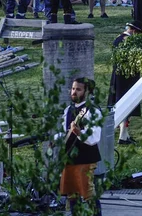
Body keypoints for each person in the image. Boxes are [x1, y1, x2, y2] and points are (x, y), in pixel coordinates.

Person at [60, 77, 102, 216]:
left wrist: (79, 132)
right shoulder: (68, 110)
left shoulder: (93, 111)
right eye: (73, 89)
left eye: (78, 89)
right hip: (69, 157)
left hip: (85, 157)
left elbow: (94, 137)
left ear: (86, 92)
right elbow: (64, 132)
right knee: (72, 194)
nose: (74, 92)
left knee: (88, 192)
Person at [109, 20, 142, 145]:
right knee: (126, 106)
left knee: (122, 104)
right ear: (134, 31)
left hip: (119, 76)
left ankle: (125, 134)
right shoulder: (127, 41)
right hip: (126, 78)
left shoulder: (118, 39)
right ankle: (123, 136)